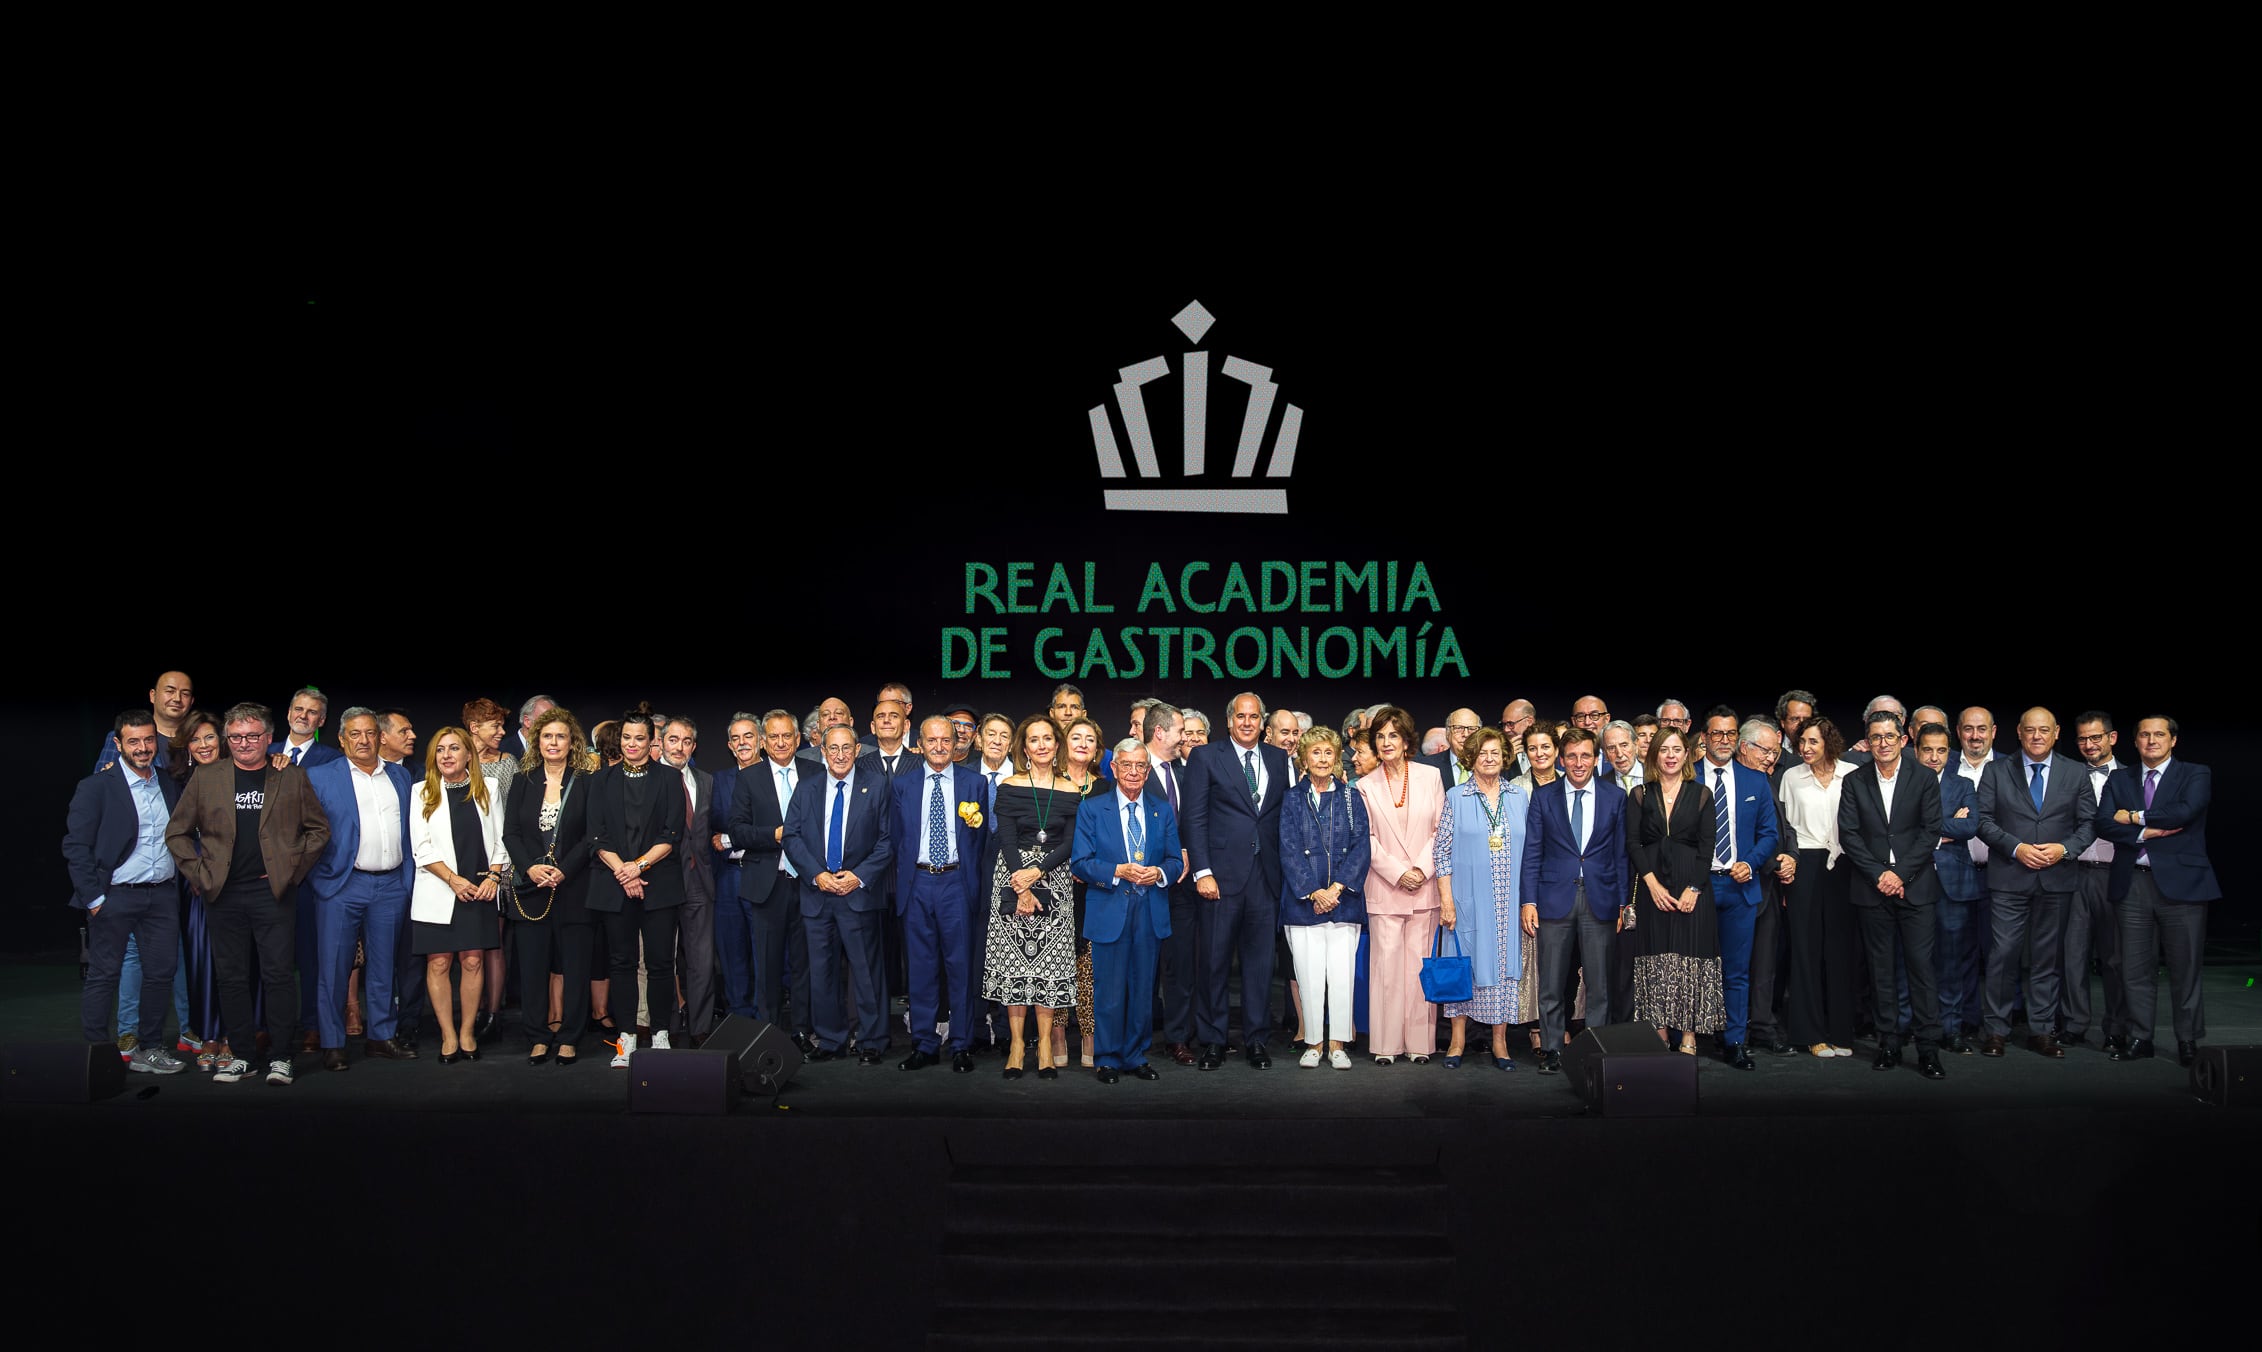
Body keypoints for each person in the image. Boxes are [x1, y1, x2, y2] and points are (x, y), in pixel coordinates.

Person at [164, 702, 331, 1085]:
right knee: (232, 977)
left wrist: (293, 871)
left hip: (271, 892)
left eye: (252, 736)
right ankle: (242, 1055)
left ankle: (281, 1057)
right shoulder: (208, 778)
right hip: (222, 893)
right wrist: (200, 873)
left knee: (277, 977)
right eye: (236, 737)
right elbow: (176, 833)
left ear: (268, 738)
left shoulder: (290, 777)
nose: (243, 743)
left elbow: (318, 830)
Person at [64, 711, 185, 1072]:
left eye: (149, 740)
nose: (143, 748)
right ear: (118, 744)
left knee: (161, 972)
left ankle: (149, 1047)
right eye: (134, 741)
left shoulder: (168, 783)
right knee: (105, 974)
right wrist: (95, 900)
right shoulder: (96, 786)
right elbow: (75, 846)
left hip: (162, 895)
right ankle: (97, 1055)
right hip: (114, 896)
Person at [1973, 708, 2094, 1059]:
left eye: (2045, 730)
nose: (2037, 736)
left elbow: (2088, 823)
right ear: (2019, 733)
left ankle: (2041, 1030)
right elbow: (1982, 820)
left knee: (2047, 960)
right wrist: (2017, 847)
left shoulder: (2075, 772)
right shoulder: (1996, 771)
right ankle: (1996, 1029)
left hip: (2057, 879)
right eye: (2030, 730)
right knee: (2002, 955)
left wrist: (2064, 849)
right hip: (2009, 877)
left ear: (2057, 733)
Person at [1182, 692, 1292, 1071]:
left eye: (1254, 716)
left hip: (1265, 879)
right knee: (1213, 963)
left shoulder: (1279, 759)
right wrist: (1202, 871)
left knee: (1260, 966)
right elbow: (1193, 818)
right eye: (1240, 716)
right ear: (1229, 721)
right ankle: (1213, 1041)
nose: (1247, 722)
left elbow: (1280, 818)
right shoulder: (1206, 757)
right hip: (1220, 879)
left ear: (1263, 723)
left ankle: (1257, 1041)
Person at [303, 708, 418, 1071]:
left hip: (391, 885)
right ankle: (333, 1042)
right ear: (341, 739)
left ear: (379, 737)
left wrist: (406, 881)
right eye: (355, 734)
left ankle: (381, 1037)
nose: (364, 740)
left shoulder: (400, 776)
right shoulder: (319, 777)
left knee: (384, 967)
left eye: (370, 733)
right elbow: (301, 831)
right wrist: (320, 879)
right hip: (342, 885)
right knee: (334, 968)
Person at [2100, 716, 2215, 1067]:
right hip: (2132, 881)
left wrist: (2134, 818)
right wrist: (2146, 832)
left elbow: (2185, 811)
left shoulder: (2195, 774)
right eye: (2144, 735)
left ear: (2173, 740)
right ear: (2134, 742)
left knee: (2186, 967)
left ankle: (2188, 1041)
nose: (2151, 741)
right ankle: (2141, 1038)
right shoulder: (2119, 778)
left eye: (2159, 735)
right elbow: (2103, 822)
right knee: (2135, 969)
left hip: (2183, 886)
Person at [1838, 712, 1947, 1079]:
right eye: (1875, 737)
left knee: (1921, 970)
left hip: (1915, 887)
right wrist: (1880, 875)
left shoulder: (1924, 777)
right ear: (1867, 743)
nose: (1883, 743)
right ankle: (1888, 1043)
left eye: (1889, 736)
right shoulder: (1854, 781)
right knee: (1880, 971)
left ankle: (1929, 1048)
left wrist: (1899, 874)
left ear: (1904, 740)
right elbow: (1849, 834)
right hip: (1872, 888)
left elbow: (1930, 830)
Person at [783, 724, 894, 1065]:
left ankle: (873, 1040)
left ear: (858, 750)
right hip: (818, 895)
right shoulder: (808, 786)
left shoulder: (877, 785)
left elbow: (887, 841)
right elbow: (792, 837)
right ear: (823, 752)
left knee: (866, 971)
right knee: (822, 973)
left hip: (857, 894)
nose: (841, 755)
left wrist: (857, 877)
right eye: (834, 749)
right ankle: (831, 1040)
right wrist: (817, 875)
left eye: (847, 748)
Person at [1073, 740, 1182, 1083]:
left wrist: (1160, 873)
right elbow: (1080, 862)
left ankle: (1135, 1055)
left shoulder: (1161, 810)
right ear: (1114, 769)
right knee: (1109, 990)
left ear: (1148, 771)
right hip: (1109, 908)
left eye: (1140, 766)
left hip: (1149, 909)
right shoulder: (1092, 809)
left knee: (1142, 990)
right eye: (1127, 765)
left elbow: (1175, 860)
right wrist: (1117, 871)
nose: (1134, 772)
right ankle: (1106, 1058)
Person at [980, 715, 1082, 1079]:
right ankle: (1017, 1046)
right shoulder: (1009, 786)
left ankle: (1042, 1047)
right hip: (1011, 874)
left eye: (1047, 739)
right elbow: (1006, 839)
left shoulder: (1071, 790)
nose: (1041, 745)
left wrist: (1039, 872)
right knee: (1014, 966)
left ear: (1057, 746)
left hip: (1053, 878)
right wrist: (1021, 885)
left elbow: (1070, 842)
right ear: (1024, 748)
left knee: (1048, 968)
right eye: (1033, 740)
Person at [1518, 727, 1624, 1074]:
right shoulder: (1544, 796)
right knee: (1551, 982)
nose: (1579, 763)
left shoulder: (1614, 796)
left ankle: (1595, 1051)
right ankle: (1551, 1049)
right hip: (1553, 899)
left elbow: (1620, 855)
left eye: (1586, 756)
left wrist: (1623, 903)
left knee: (1599, 984)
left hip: (1601, 900)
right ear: (1562, 760)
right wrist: (1528, 900)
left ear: (1597, 759)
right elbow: (1532, 852)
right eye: (1572, 756)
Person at [587, 712, 687, 1067]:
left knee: (661, 962)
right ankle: (626, 1036)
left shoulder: (670, 779)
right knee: (621, 962)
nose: (632, 744)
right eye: (627, 738)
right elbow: (596, 835)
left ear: (651, 742)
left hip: (659, 883)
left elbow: (672, 834)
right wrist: (624, 872)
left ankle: (660, 1032)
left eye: (639, 738)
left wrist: (638, 867)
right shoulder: (601, 781)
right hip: (615, 883)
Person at [890, 717, 988, 1072]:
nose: (939, 746)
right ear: (920, 743)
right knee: (920, 968)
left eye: (945, 740)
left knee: (960, 967)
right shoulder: (903, 785)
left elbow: (980, 842)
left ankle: (961, 1044)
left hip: (955, 883)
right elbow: (897, 838)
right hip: (917, 883)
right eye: (932, 740)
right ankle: (924, 1044)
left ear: (956, 742)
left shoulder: (974, 784)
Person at [408, 728, 510, 1064]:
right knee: (439, 962)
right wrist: (453, 880)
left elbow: (500, 839)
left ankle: (467, 1032)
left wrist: (495, 876)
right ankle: (447, 1035)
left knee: (473, 960)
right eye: (440, 750)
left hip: (480, 889)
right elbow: (420, 848)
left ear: (469, 754)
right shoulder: (421, 791)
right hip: (439, 888)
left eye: (454, 748)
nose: (447, 755)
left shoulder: (488, 789)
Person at [504, 707, 597, 1065]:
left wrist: (563, 870)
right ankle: (538, 1037)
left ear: (571, 741)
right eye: (547, 736)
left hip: (574, 888)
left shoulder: (587, 781)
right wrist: (530, 868)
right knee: (532, 968)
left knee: (576, 968)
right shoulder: (523, 780)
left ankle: (571, 1037)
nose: (553, 742)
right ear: (536, 741)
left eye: (560, 736)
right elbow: (510, 832)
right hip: (531, 890)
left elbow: (593, 835)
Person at [1626, 729, 1724, 1055]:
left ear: (1687, 754)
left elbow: (1707, 846)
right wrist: (1652, 884)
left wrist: (1694, 888)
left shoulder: (1702, 794)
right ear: (1654, 755)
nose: (1670, 755)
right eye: (1664, 749)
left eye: (1677, 749)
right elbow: (1633, 844)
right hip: (1652, 888)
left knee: (1690, 959)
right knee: (1656, 960)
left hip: (1693, 889)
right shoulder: (1639, 794)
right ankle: (1659, 1032)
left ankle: (1689, 1036)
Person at [1356, 705, 1445, 1065]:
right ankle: (1386, 1046)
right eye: (1380, 736)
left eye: (1393, 735)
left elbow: (1441, 831)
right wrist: (1397, 872)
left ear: (1407, 740)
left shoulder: (1430, 777)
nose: (1386, 741)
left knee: (1418, 968)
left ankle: (1420, 1044)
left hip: (1425, 887)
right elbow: (1366, 839)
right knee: (1386, 972)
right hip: (1385, 887)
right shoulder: (1363, 785)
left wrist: (1421, 869)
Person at [1278, 726, 1369, 1070]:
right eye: (1315, 752)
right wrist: (1314, 891)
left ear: (1336, 758)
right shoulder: (1291, 799)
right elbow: (1287, 850)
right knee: (1309, 975)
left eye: (1328, 752)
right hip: (1304, 904)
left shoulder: (1351, 797)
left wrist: (1336, 889)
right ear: (1304, 758)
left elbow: (1362, 846)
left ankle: (1338, 1044)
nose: (1322, 758)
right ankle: (1313, 1042)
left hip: (1343, 901)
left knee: (1342, 976)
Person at [1697, 712, 1780, 1071]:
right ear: (1705, 737)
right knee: (1693, 967)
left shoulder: (1755, 780)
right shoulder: (1686, 777)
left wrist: (1751, 861)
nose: (1725, 740)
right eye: (1718, 733)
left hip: (1740, 885)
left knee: (1737, 971)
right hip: (1697, 888)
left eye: (1731, 733)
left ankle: (1734, 1041)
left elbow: (1770, 835)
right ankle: (1690, 1038)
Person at [727, 711, 815, 1044]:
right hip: (767, 884)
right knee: (767, 967)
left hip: (809, 884)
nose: (780, 743)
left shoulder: (815, 772)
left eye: (787, 736)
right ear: (764, 742)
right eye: (773, 737)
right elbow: (737, 831)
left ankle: (804, 1032)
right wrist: (775, 834)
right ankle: (769, 1035)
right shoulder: (749, 778)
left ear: (798, 738)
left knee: (805, 964)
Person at [1435, 727, 1520, 1071]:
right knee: (1464, 968)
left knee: (1503, 969)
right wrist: (1446, 901)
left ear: (1505, 758)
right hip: (1467, 900)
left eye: (1496, 753)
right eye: (1483, 753)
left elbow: (1529, 854)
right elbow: (1441, 852)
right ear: (1471, 758)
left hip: (1508, 902)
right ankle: (1456, 1042)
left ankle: (1500, 1042)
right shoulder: (1457, 796)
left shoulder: (1518, 796)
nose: (1489, 759)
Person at [1776, 716, 1857, 1058]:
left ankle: (1841, 1031)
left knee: (1840, 952)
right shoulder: (1791, 777)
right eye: (1801, 742)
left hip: (1845, 864)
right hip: (1805, 865)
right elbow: (1786, 827)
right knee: (1805, 951)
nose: (1805, 749)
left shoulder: (1852, 773)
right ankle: (1810, 1034)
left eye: (1813, 742)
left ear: (1829, 742)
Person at [1912, 722, 1982, 1053]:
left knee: (1952, 960)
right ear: (1916, 750)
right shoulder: (1903, 782)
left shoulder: (1963, 783)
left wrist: (1925, 829)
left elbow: (1970, 825)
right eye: (1928, 749)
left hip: (1954, 882)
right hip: (1912, 879)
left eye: (1941, 750)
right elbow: (1897, 825)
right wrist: (1943, 826)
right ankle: (1912, 1025)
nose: (1934, 757)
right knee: (1911, 958)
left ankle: (1951, 1027)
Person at [2062, 712, 2129, 1051]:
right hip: (2074, 873)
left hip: (2116, 875)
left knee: (2115, 958)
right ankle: (2075, 1024)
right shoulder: (2069, 776)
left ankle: (2116, 1027)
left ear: (2112, 738)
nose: (2089, 745)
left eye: (2095, 738)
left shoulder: (2132, 778)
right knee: (2072, 955)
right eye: (2082, 739)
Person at [167, 710, 228, 1068]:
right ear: (187, 746)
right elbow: (175, 834)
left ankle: (235, 1033)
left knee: (238, 962)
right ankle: (208, 1033)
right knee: (202, 963)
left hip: (239, 883)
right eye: (195, 739)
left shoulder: (243, 773)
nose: (203, 745)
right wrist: (194, 872)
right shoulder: (176, 782)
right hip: (198, 887)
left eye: (209, 738)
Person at [1054, 715, 1110, 1068]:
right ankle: (1057, 1033)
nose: (1083, 744)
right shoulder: (1050, 783)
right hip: (1056, 882)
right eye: (1077, 737)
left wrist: (1090, 868)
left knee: (1090, 963)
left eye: (1090, 739)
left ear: (1097, 750)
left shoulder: (1105, 787)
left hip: (1093, 886)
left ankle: (1090, 1034)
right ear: (1064, 743)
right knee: (1058, 957)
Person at [463, 697, 518, 1039]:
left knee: (493, 940)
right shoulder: (451, 759)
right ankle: (468, 1009)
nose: (501, 732)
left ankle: (492, 1013)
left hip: (497, 865)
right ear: (474, 728)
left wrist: (502, 867)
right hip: (456, 866)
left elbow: (512, 819)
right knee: (463, 946)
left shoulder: (507, 763)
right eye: (495, 726)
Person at [660, 718, 718, 1046]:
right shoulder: (650, 778)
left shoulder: (706, 781)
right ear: (662, 742)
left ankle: (700, 1028)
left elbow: (712, 827)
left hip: (700, 880)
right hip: (663, 879)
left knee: (702, 960)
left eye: (686, 741)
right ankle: (666, 1026)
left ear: (693, 746)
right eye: (673, 740)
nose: (679, 747)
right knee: (663, 959)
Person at [1508, 725, 1562, 1055]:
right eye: (1532, 748)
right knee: (1532, 960)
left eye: (1545, 747)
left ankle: (1564, 1023)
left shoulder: (1572, 780)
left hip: (1564, 882)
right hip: (1527, 879)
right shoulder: (1515, 788)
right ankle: (1535, 1027)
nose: (1539, 753)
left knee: (1565, 958)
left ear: (1556, 749)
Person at [710, 714, 764, 1026]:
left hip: (763, 873)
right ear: (730, 746)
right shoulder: (718, 781)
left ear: (761, 741)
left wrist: (730, 837)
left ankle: (763, 1019)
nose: (743, 743)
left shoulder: (776, 777)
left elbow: (774, 829)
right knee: (731, 953)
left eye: (748, 736)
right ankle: (739, 1019)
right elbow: (708, 827)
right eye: (736, 738)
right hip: (728, 876)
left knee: (763, 951)